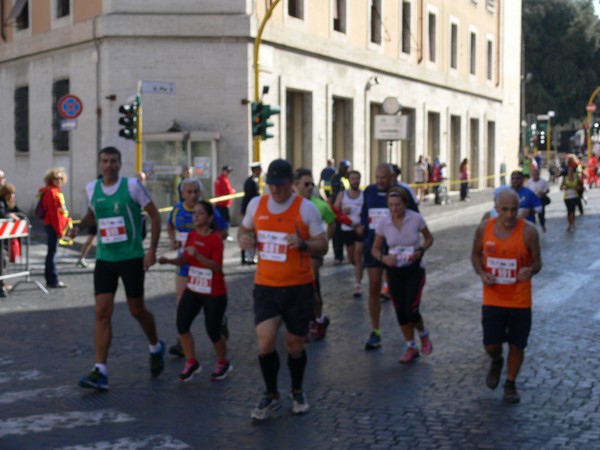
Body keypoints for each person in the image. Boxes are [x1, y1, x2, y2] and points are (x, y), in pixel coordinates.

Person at [238, 159, 328, 420]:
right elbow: (245, 228)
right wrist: (246, 238)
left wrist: (303, 244)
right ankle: (271, 394)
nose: (275, 191)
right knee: (265, 342)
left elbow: (322, 245)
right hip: (266, 285)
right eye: (271, 185)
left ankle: (297, 389)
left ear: (291, 184)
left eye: (280, 185)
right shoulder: (257, 204)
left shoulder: (306, 209)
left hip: (298, 287)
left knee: (294, 344)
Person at [73, 147, 164, 391]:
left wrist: (151, 250)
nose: (109, 165)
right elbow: (94, 213)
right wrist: (79, 227)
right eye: (105, 161)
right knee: (102, 312)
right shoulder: (92, 188)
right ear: (99, 164)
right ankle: (100, 370)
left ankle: (155, 346)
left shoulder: (133, 187)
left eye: (113, 161)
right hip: (105, 258)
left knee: (137, 310)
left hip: (131, 257)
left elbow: (155, 217)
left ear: (120, 164)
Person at [471, 189, 542, 404]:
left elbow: (538, 262)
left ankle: (510, 384)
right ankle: (496, 360)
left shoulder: (528, 231)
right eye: (505, 210)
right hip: (493, 297)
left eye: (514, 210)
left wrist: (530, 270)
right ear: (496, 208)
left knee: (517, 345)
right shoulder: (485, 228)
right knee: (491, 345)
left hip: (520, 299)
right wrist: (482, 273)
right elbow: (474, 255)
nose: (510, 215)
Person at [159, 200, 231, 382]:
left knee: (213, 331)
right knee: (182, 324)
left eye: (200, 213)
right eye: (194, 213)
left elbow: (216, 267)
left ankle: (223, 362)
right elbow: (184, 260)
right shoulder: (191, 236)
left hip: (214, 292)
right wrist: (169, 261)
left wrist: (198, 255)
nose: (196, 216)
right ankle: (192, 362)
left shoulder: (215, 239)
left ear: (209, 217)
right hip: (194, 288)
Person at [357, 163, 418, 350]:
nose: (380, 181)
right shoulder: (369, 192)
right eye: (377, 177)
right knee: (374, 287)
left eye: (383, 178)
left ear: (392, 177)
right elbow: (364, 215)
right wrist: (362, 227)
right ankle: (375, 331)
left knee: (402, 297)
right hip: (374, 248)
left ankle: (410, 335)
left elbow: (416, 218)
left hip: (398, 250)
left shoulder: (403, 193)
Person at [166, 178, 228, 357]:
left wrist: (209, 241)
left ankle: (220, 320)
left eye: (195, 192)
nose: (192, 196)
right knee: (180, 300)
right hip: (185, 262)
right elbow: (170, 225)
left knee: (209, 304)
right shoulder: (177, 209)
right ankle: (181, 341)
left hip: (205, 264)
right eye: (189, 192)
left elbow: (224, 231)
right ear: (182, 194)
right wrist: (173, 240)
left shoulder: (208, 211)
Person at [371, 187, 434, 363]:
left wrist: (420, 251)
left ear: (405, 204)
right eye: (390, 205)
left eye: (397, 205)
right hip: (394, 270)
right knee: (400, 311)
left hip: (414, 269)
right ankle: (410, 346)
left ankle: (423, 334)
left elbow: (429, 238)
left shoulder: (415, 218)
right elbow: (375, 249)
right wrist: (384, 258)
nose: (394, 209)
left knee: (411, 309)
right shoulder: (383, 223)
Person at [294, 168, 335, 341]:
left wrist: (325, 240)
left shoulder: (319, 205)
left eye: (312, 184)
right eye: (306, 184)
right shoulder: (289, 205)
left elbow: (332, 221)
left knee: (309, 286)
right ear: (295, 186)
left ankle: (313, 321)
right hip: (294, 253)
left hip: (313, 252)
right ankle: (317, 319)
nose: (310, 187)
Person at [38, 168, 71, 288]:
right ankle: (53, 279)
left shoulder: (56, 191)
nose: (59, 180)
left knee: (52, 253)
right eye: (57, 178)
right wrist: (59, 230)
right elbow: (53, 214)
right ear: (51, 179)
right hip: (52, 226)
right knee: (52, 254)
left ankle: (51, 279)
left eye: (61, 178)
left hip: (54, 225)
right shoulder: (51, 192)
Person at [334, 170, 364, 297]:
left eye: (357, 179)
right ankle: (360, 267)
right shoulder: (343, 194)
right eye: (353, 179)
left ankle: (357, 285)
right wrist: (342, 211)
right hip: (347, 230)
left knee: (357, 257)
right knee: (352, 259)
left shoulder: (364, 195)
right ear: (349, 180)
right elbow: (335, 210)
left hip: (360, 229)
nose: (355, 181)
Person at [0, 183, 22, 297]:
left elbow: (21, 213)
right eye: (9, 194)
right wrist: (9, 216)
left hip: (4, 240)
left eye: (13, 194)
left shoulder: (9, 204)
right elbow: (2, 214)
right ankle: (1, 284)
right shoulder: (1, 203)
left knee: (4, 259)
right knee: (2, 259)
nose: (12, 196)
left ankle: (2, 283)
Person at [330, 160, 351, 264]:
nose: (346, 170)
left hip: (347, 209)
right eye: (344, 168)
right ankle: (338, 255)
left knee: (345, 233)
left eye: (347, 168)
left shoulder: (347, 179)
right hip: (337, 209)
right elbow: (336, 193)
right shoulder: (336, 178)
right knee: (337, 234)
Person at [241, 162, 262, 265]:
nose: (260, 171)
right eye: (258, 169)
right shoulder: (251, 182)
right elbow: (249, 198)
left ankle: (250, 256)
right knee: (248, 233)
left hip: (251, 209)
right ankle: (246, 257)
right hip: (250, 210)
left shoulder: (253, 180)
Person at [560, 164, 583, 232]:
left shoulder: (576, 178)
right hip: (567, 197)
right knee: (569, 211)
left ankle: (572, 223)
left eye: (571, 170)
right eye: (569, 170)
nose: (570, 172)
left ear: (573, 171)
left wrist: (577, 188)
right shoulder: (565, 178)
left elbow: (580, 185)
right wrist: (565, 187)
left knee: (572, 211)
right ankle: (569, 224)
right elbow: (561, 187)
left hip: (574, 196)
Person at [527, 168, 550, 232]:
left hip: (540, 199)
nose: (534, 176)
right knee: (532, 214)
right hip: (532, 200)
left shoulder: (543, 181)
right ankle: (533, 227)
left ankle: (542, 225)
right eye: (533, 174)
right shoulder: (529, 181)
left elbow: (547, 189)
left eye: (536, 174)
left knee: (541, 214)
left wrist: (543, 192)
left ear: (538, 175)